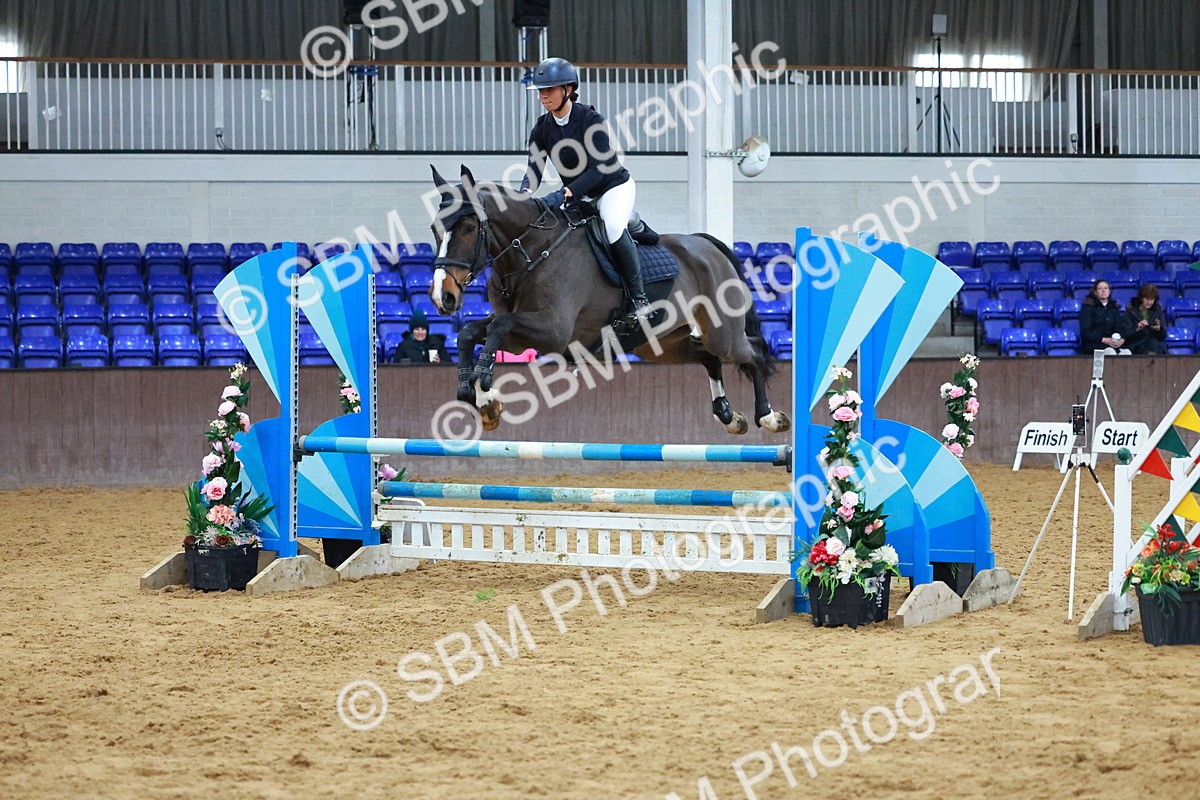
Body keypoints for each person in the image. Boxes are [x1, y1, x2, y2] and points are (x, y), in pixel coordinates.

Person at [519, 57, 647, 330]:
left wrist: (566, 192)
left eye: (549, 90)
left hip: (612, 187)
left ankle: (639, 299)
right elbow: (534, 170)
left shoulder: (591, 120)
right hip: (579, 195)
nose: (543, 96)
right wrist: (522, 196)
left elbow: (598, 169)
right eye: (540, 91)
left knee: (612, 227)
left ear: (568, 89)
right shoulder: (542, 128)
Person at [1079, 279, 1131, 355]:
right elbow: (1086, 332)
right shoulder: (1087, 307)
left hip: (1112, 344)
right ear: (1095, 292)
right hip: (1094, 344)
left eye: (1106, 288)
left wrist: (1122, 339)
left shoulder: (1113, 307)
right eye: (1100, 288)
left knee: (1126, 352)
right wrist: (1104, 339)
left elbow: (1120, 327)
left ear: (1109, 291)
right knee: (1110, 352)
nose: (1103, 291)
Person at [1123, 284, 1167, 355]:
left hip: (1154, 345)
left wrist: (1158, 329)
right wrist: (1137, 328)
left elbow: (1163, 336)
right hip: (1136, 345)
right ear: (1141, 298)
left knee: (1158, 347)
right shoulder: (1131, 311)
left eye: (1151, 300)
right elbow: (1126, 335)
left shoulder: (1158, 310)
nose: (1149, 302)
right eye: (1147, 299)